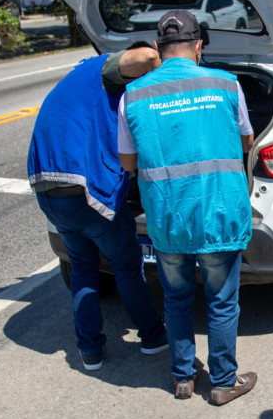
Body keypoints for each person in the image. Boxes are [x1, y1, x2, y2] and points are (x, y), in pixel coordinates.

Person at [118, 10, 258, 406]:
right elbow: (247, 140)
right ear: (199, 46)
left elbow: (128, 162)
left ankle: (182, 377)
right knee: (221, 301)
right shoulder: (227, 84)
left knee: (176, 298)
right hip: (217, 214)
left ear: (158, 50)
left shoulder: (135, 94)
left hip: (168, 219)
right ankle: (223, 381)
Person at [27, 46, 168, 371]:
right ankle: (152, 337)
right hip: (82, 186)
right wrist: (169, 66)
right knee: (127, 265)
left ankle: (90, 351)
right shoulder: (102, 69)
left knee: (82, 265)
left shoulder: (75, 80)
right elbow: (145, 57)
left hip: (47, 186)